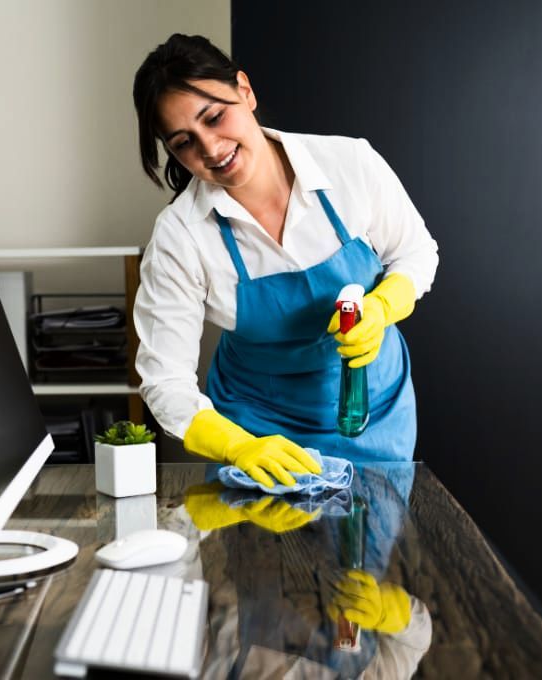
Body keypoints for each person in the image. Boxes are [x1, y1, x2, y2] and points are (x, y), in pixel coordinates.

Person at [132, 34, 438, 488]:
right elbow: (164, 381)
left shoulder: (348, 164)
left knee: (368, 558)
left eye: (215, 117)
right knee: (258, 557)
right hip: (258, 433)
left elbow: (415, 253)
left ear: (245, 90)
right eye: (184, 143)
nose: (212, 149)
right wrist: (238, 446)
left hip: (373, 418)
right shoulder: (182, 237)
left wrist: (381, 309)